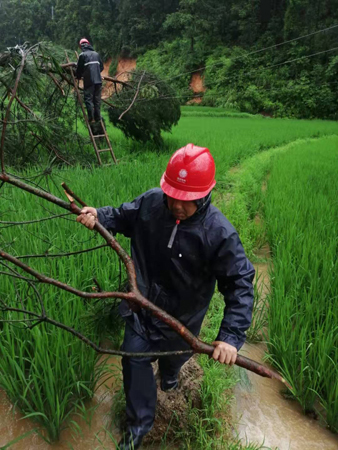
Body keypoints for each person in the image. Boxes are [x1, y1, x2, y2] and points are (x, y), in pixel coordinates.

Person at [76, 144, 255, 450]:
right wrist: (99, 216)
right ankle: (138, 427)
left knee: (174, 360)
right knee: (133, 360)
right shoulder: (152, 202)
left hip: (182, 319)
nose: (175, 204)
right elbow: (123, 216)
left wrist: (230, 336)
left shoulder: (219, 233)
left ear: (204, 196)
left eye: (185, 200)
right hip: (141, 307)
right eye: (172, 195)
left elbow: (240, 283)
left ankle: (170, 377)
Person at [75, 38, 104, 124]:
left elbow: (79, 70)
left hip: (89, 81)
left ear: (81, 46)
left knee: (88, 99)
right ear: (89, 44)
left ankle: (91, 118)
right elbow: (101, 67)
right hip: (98, 81)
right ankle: (98, 118)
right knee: (97, 100)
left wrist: (78, 76)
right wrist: (97, 73)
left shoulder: (82, 55)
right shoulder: (96, 54)